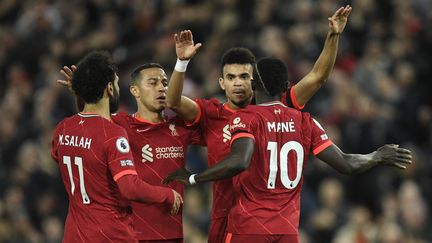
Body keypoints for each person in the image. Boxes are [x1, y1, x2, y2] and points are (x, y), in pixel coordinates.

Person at [163, 57, 413, 243]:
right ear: (285, 86)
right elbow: (347, 164)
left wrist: (194, 177)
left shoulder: (247, 118)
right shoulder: (304, 121)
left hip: (249, 228)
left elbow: (240, 161)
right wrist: (377, 156)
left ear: (254, 85)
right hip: (287, 231)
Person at [166, 6, 352, 242]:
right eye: (231, 78)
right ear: (221, 83)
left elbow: (317, 77)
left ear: (254, 81)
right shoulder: (211, 113)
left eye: (244, 77)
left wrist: (333, 35)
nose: (238, 84)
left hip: (262, 222)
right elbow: (172, 101)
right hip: (223, 217)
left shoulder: (279, 107)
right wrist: (181, 63)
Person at [58, 63, 202, 242]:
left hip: (170, 233)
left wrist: (182, 62)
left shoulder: (179, 128)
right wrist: (85, 92)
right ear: (135, 90)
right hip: (130, 232)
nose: (161, 88)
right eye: (152, 82)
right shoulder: (119, 125)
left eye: (164, 83)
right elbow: (89, 118)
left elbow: (207, 128)